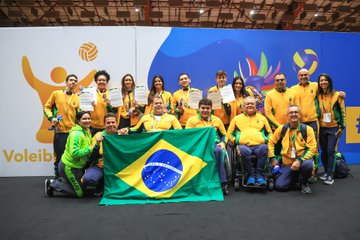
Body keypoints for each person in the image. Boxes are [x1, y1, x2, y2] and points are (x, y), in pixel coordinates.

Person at [45, 111, 103, 197]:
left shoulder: (87, 130)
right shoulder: (76, 134)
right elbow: (74, 153)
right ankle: (53, 184)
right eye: (84, 119)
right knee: (80, 193)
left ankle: (63, 180)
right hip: (69, 167)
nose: (87, 121)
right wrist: (90, 148)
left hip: (77, 167)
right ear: (78, 121)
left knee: (84, 188)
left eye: (88, 118)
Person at [268, 105, 317, 194]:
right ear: (287, 116)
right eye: (291, 112)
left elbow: (312, 148)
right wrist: (272, 157)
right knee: (279, 186)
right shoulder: (282, 129)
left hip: (302, 162)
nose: (293, 114)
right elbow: (270, 142)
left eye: (296, 112)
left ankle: (304, 183)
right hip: (287, 164)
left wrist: (300, 161)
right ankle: (296, 177)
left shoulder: (307, 130)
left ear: (300, 115)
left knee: (308, 164)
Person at [185, 98, 229, 195]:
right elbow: (188, 136)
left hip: (213, 145)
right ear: (198, 108)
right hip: (197, 146)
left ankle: (222, 182)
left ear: (211, 109)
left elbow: (225, 135)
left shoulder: (217, 120)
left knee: (218, 151)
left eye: (207, 108)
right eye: (203, 108)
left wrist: (223, 143)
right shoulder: (191, 120)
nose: (205, 110)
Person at [227, 96, 272, 186]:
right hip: (244, 146)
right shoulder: (236, 119)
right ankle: (250, 175)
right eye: (248, 104)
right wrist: (236, 140)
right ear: (243, 106)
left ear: (256, 106)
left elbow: (270, 133)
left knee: (264, 148)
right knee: (243, 151)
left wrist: (266, 139)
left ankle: (259, 175)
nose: (250, 105)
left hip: (259, 145)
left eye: (252, 103)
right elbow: (229, 133)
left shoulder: (262, 118)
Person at [43, 74, 80, 178]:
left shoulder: (77, 97)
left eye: (75, 81)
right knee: (59, 157)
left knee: (73, 157)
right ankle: (58, 178)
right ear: (66, 82)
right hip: (60, 131)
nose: (73, 82)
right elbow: (46, 107)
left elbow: (80, 115)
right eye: (71, 80)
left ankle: (72, 178)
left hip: (73, 133)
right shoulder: (56, 94)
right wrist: (51, 118)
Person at [316, 73, 346, 185]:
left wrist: (342, 127)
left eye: (325, 80)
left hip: (334, 128)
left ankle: (330, 175)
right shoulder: (318, 95)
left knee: (330, 150)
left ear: (329, 82)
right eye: (321, 80)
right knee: (323, 151)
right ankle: (326, 171)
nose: (323, 82)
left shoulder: (337, 95)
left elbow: (343, 112)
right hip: (322, 127)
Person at [82, 113, 118, 196]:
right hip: (101, 166)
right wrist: (97, 144)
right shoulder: (98, 136)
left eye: (113, 122)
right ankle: (101, 183)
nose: (111, 124)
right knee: (88, 179)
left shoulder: (122, 135)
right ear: (104, 124)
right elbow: (91, 157)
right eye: (108, 123)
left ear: (117, 123)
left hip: (117, 168)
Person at [89, 70, 112, 136]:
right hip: (92, 126)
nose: (101, 82)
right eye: (99, 80)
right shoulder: (91, 93)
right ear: (96, 81)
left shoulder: (110, 94)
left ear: (107, 82)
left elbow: (115, 110)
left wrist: (110, 105)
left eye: (104, 80)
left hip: (107, 126)